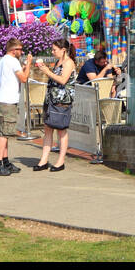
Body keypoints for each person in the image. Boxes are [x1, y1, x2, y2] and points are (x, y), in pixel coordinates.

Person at [31, 39, 77, 172]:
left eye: (54, 50)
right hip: (52, 99)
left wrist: (47, 72)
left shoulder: (69, 63)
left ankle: (60, 161)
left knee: (61, 130)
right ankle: (43, 160)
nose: (52, 52)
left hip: (62, 100)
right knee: (48, 129)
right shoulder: (58, 62)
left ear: (63, 50)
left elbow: (63, 80)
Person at [0, 39, 32, 176]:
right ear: (13, 50)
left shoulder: (2, 61)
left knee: (5, 132)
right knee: (4, 134)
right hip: (7, 101)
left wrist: (23, 66)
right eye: (20, 49)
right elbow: (24, 78)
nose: (21, 52)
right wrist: (29, 64)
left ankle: (6, 162)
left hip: (1, 99)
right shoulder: (13, 61)